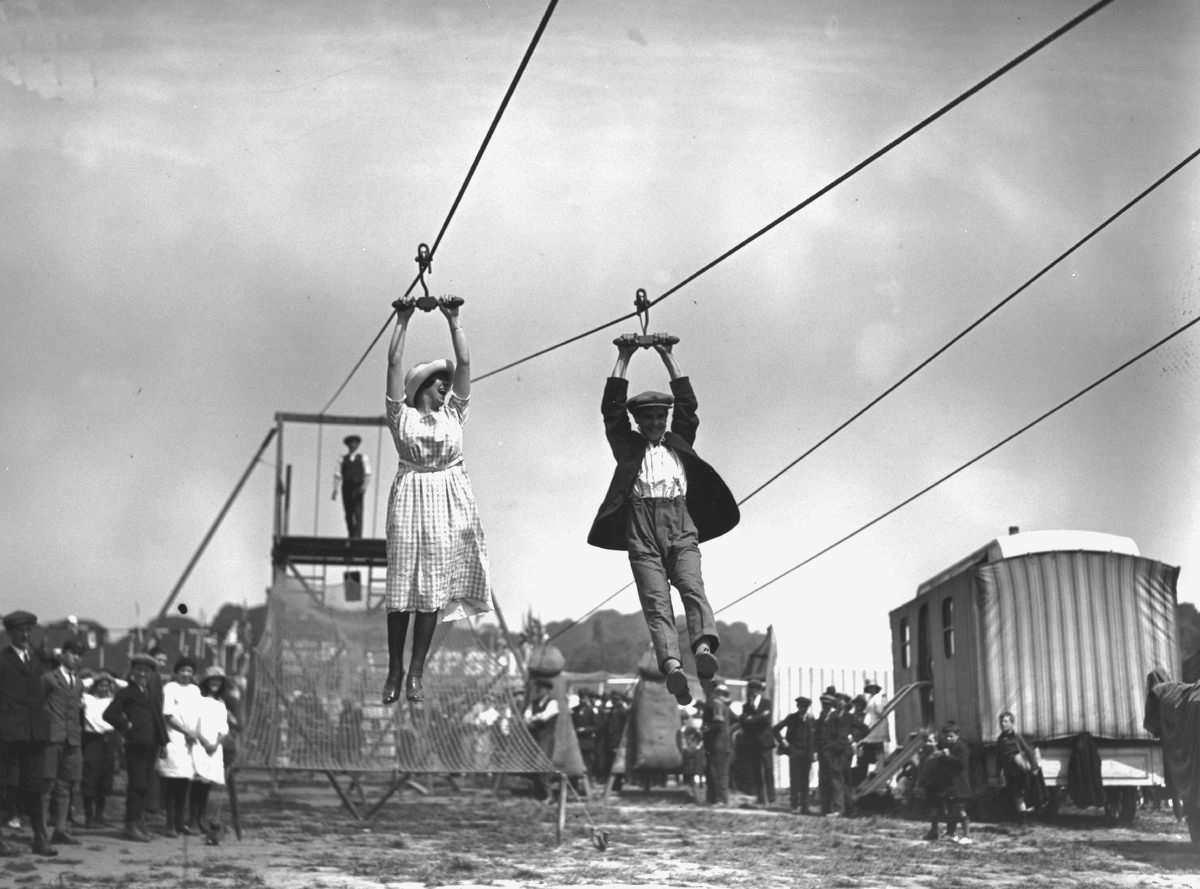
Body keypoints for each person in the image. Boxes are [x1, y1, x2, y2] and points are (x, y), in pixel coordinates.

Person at [587, 333, 740, 706]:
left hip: (679, 524)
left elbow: (687, 404)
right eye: (648, 418)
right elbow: (611, 409)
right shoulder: (629, 447)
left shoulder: (679, 441)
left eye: (660, 416)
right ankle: (672, 665)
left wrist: (667, 356)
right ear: (638, 422)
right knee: (656, 602)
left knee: (692, 586)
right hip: (641, 531)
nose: (656, 422)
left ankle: (703, 648)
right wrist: (623, 358)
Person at [382, 296, 493, 705]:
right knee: (401, 588)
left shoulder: (454, 415)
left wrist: (454, 321)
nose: (445, 384)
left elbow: (464, 366)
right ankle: (394, 667)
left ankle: (416, 671)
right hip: (411, 494)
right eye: (436, 381)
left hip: (447, 498)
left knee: (431, 590)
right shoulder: (402, 417)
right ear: (420, 388)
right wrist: (403, 321)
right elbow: (393, 366)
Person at [0, 610, 57, 856]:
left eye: (27, 631)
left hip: (34, 734)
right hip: (8, 733)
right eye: (19, 631)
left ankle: (39, 836)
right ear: (10, 633)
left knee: (34, 786)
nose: (24, 635)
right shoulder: (2, 659)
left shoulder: (35, 660)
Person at [103, 653, 168, 842]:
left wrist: (163, 743)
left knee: (145, 786)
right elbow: (109, 714)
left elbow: (158, 719)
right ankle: (130, 824)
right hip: (135, 746)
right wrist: (126, 726)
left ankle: (140, 822)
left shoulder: (152, 693)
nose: (141, 674)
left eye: (146, 671)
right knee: (136, 785)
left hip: (152, 745)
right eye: (138, 670)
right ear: (132, 672)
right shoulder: (127, 692)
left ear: (151, 674)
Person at [42, 638, 84, 846]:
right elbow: (38, 705)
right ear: (63, 654)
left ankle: (60, 829)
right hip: (52, 738)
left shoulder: (78, 682)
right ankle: (41, 832)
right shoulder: (49, 678)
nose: (76, 658)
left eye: (79, 655)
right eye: (73, 653)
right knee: (47, 784)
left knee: (66, 786)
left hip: (72, 740)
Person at [157, 656, 203, 837]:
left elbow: (199, 714)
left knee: (184, 783)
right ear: (176, 672)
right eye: (182, 670)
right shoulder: (170, 688)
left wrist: (196, 734)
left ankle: (180, 822)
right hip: (175, 738)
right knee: (172, 783)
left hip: (191, 741)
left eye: (189, 671)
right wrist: (186, 732)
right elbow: (168, 716)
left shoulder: (195, 690)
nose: (186, 674)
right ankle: (169, 825)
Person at [192, 666, 231, 843]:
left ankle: (202, 817)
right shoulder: (199, 700)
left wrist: (216, 743)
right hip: (200, 744)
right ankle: (193, 819)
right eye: (212, 680)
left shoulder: (221, 703)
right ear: (206, 682)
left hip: (215, 746)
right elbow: (194, 723)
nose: (215, 683)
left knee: (207, 784)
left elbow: (223, 727)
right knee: (197, 783)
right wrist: (204, 741)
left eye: (218, 681)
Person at [919, 722, 972, 843]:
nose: (948, 739)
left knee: (960, 810)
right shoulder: (948, 746)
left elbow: (961, 763)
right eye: (947, 737)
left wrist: (948, 756)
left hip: (959, 784)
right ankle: (951, 833)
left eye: (951, 736)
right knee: (951, 810)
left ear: (957, 735)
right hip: (950, 784)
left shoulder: (961, 747)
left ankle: (967, 835)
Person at [80, 670, 119, 828]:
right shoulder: (87, 699)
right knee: (90, 777)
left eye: (106, 685)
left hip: (109, 739)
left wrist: (111, 678)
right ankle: (89, 817)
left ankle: (99, 815)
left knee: (105, 777)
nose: (104, 688)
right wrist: (95, 678)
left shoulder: (113, 700)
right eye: (101, 685)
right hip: (92, 740)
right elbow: (79, 687)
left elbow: (125, 686)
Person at [996, 710, 1040, 825]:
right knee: (1016, 797)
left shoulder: (1017, 737)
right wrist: (998, 773)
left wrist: (1034, 767)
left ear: (1012, 723)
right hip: (1009, 773)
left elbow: (1029, 751)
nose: (1003, 724)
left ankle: (1024, 822)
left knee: (1018, 796)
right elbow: (999, 757)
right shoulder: (1000, 739)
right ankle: (1024, 818)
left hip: (1020, 772)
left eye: (1006, 721)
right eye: (1001, 722)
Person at [773, 695, 816, 814]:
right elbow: (775, 729)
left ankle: (805, 806)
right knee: (795, 780)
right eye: (801, 707)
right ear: (798, 707)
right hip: (795, 752)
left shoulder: (811, 720)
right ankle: (794, 806)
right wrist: (782, 741)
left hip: (807, 754)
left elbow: (815, 737)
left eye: (805, 707)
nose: (803, 709)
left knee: (805, 781)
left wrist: (814, 753)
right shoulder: (792, 718)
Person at [739, 677, 776, 806]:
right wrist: (756, 718)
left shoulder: (767, 703)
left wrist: (751, 719)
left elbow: (765, 720)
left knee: (768, 769)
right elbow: (743, 722)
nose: (752, 692)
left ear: (758, 691)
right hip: (753, 742)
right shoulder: (746, 706)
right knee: (756, 771)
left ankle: (771, 797)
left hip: (765, 742)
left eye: (754, 690)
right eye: (751, 690)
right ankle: (761, 797)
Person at [332, 434, 372, 539]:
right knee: (348, 512)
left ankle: (358, 536)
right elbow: (337, 475)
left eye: (354, 443)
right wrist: (335, 489)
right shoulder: (342, 459)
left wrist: (364, 486)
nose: (352, 445)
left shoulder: (363, 458)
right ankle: (351, 534)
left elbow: (367, 474)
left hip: (358, 487)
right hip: (346, 488)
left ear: (357, 445)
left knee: (358, 512)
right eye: (350, 443)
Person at [701, 682, 733, 805]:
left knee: (717, 771)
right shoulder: (726, 706)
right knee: (720, 772)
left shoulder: (717, 704)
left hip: (717, 743)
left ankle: (719, 798)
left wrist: (706, 729)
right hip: (723, 744)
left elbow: (718, 723)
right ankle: (718, 798)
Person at [856, 681, 889, 784]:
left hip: (878, 723)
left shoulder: (879, 698)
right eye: (870, 689)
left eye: (873, 688)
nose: (871, 690)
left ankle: (880, 766)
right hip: (873, 723)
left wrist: (876, 708)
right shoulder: (872, 698)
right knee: (876, 745)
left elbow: (880, 711)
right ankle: (879, 765)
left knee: (879, 745)